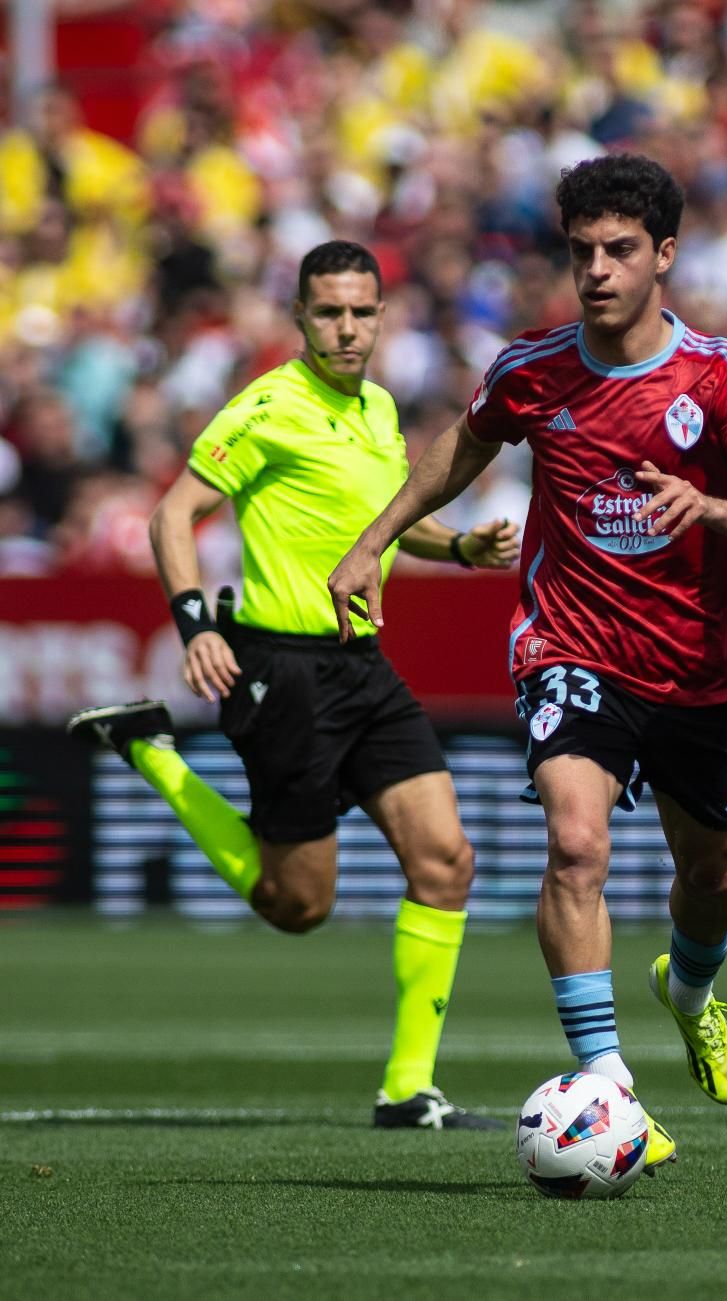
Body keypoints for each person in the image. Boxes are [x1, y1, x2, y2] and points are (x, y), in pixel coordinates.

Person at [328, 154, 727, 1171]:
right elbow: (462, 446)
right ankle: (609, 1084)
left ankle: (688, 990)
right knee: (575, 845)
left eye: (620, 250)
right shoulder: (531, 369)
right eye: (582, 249)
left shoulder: (717, 376)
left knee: (711, 873)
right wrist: (372, 543)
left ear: (663, 255)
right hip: (569, 643)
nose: (596, 269)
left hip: (698, 667)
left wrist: (706, 505)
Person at [67, 240, 519, 1129]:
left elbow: (378, 519)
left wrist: (457, 547)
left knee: (447, 860)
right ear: (301, 317)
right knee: (297, 905)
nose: (346, 328)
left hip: (363, 666)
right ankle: (151, 752)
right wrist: (196, 624)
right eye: (328, 312)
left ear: (382, 316)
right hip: (282, 670)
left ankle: (407, 1088)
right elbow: (172, 515)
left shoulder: (381, 408)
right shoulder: (269, 405)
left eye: (361, 311)